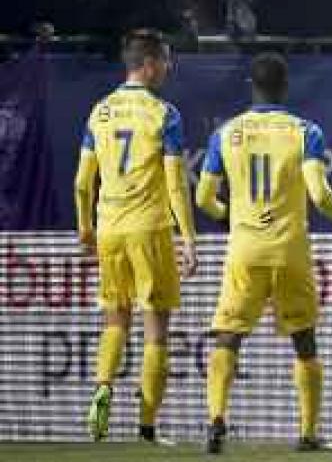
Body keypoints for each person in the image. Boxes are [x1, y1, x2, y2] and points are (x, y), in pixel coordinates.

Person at [196, 53, 332, 454]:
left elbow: (203, 198)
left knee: (229, 335)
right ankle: (308, 433)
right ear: (285, 87)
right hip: (289, 250)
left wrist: (228, 216)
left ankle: (216, 419)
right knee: (304, 339)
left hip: (245, 249)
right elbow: (319, 193)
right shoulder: (305, 132)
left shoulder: (226, 133)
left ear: (251, 86)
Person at [74, 29, 197, 443]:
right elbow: (176, 183)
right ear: (148, 64)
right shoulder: (165, 114)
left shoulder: (100, 111)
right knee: (156, 329)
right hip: (150, 228)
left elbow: (82, 182)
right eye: (165, 60)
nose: (169, 67)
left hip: (109, 229)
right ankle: (146, 427)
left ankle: (103, 387)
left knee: (115, 319)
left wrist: (85, 228)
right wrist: (188, 239)